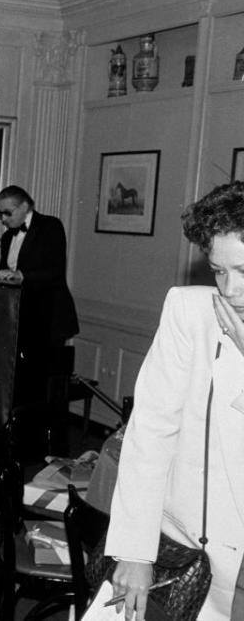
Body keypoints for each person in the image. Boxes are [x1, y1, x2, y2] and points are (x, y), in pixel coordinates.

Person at [105, 181, 244, 620]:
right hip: (199, 552)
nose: (231, 290)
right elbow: (150, 431)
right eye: (220, 271)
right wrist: (135, 551)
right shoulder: (191, 313)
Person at [0, 184, 79, 349]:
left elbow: (55, 270)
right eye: (0, 214)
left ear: (25, 207)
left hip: (49, 316)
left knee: (45, 372)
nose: (3, 219)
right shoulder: (6, 237)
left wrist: (21, 275)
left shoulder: (50, 226)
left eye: (7, 213)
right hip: (20, 318)